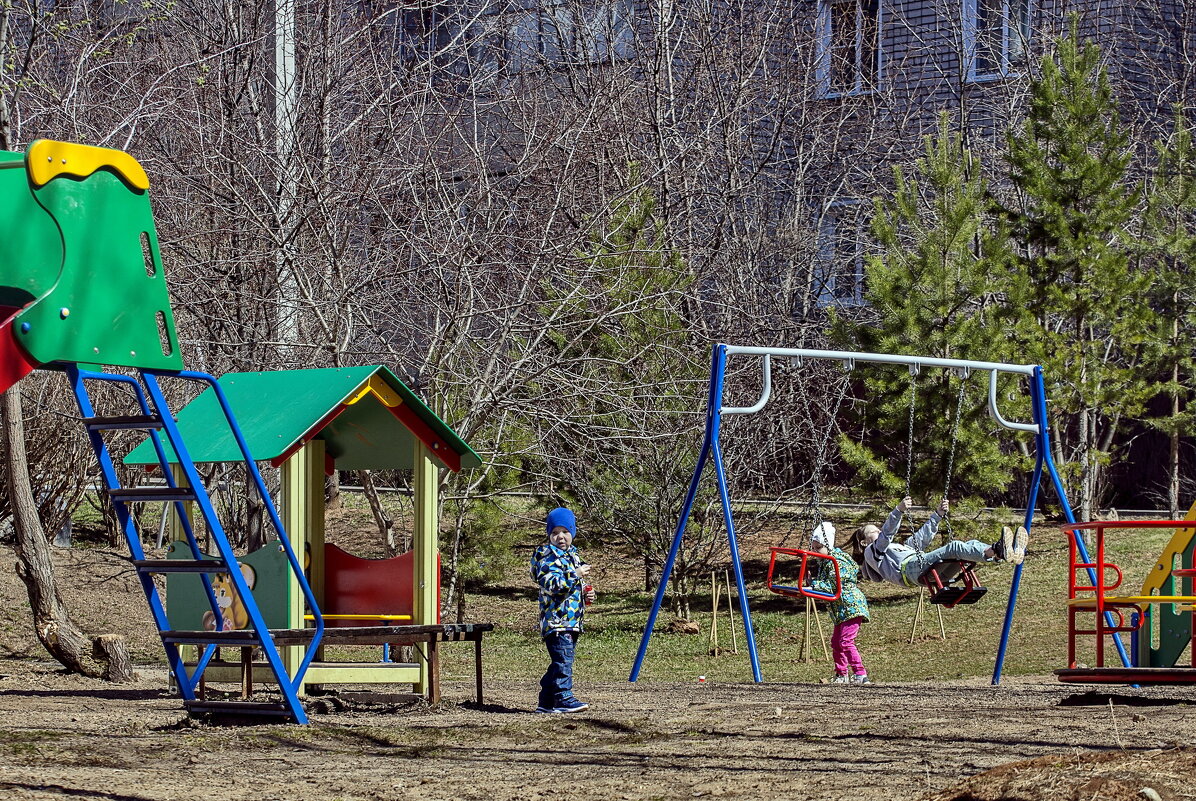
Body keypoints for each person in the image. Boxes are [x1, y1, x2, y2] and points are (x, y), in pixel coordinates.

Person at [853, 496, 1028, 589]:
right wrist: (898, 511)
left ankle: (1001, 553)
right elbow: (887, 534)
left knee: (969, 545)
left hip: (926, 570)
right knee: (955, 547)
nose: (878, 531)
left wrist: (937, 515)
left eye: (878, 529)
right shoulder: (871, 553)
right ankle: (999, 550)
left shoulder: (899, 548)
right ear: (863, 542)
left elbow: (923, 537)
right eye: (873, 531)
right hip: (911, 571)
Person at [529, 506, 596, 714]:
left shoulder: (573, 556)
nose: (560, 537)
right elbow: (553, 585)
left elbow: (577, 585)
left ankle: (546, 701)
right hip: (556, 620)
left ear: (573, 534)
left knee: (561, 660)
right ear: (549, 535)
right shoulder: (546, 558)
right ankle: (563, 698)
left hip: (572, 619)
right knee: (563, 660)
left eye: (565, 532)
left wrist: (588, 595)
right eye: (555, 532)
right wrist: (574, 574)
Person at [808, 521, 872, 685]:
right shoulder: (825, 562)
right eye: (813, 548)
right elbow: (827, 584)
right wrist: (812, 583)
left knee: (845, 642)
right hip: (841, 609)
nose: (815, 552)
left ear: (827, 545)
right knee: (836, 642)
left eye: (818, 548)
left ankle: (860, 673)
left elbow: (835, 584)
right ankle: (841, 673)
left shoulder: (838, 561)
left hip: (851, 606)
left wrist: (813, 585)